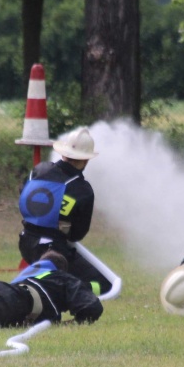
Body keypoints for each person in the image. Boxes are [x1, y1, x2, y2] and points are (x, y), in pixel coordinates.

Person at [17, 126, 112, 295]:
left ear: (63, 153)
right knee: (104, 285)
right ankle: (61, 289)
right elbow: (77, 235)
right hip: (55, 251)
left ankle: (47, 281)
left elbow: (25, 197)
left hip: (25, 243)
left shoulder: (38, 170)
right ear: (86, 160)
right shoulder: (82, 189)